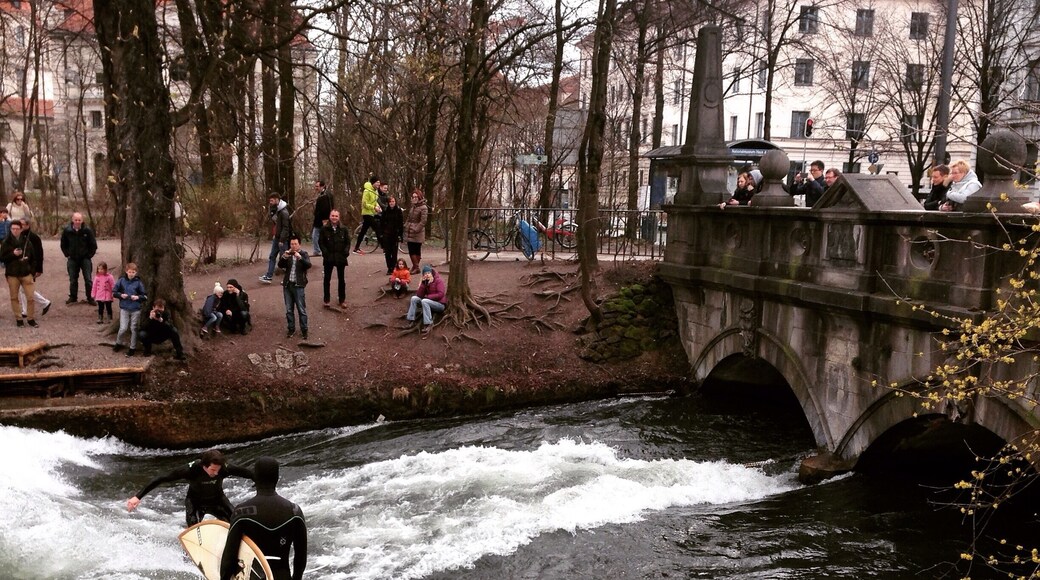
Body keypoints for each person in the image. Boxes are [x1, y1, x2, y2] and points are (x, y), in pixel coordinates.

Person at [219, 457, 306, 580]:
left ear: (256, 477)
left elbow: (229, 557)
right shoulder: (294, 511)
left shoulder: (241, 512)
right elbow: (301, 556)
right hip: (282, 576)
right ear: (277, 478)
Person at [126, 449, 254, 527]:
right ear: (204, 466)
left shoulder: (223, 468)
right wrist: (137, 497)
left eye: (218, 470)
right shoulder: (191, 470)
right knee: (194, 528)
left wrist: (262, 485)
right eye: (213, 470)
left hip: (217, 500)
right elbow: (162, 478)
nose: (216, 473)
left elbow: (248, 473)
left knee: (236, 521)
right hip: (195, 503)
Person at [0, 220, 37, 327]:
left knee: (30, 297)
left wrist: (32, 271)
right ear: (10, 229)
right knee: (14, 297)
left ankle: (31, 318)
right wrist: (13, 254)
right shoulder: (6, 242)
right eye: (13, 229)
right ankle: (18, 319)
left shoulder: (26, 241)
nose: (15, 231)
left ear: (21, 229)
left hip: (26, 273)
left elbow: (33, 258)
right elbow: (2, 258)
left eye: (17, 229)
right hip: (12, 274)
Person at [60, 212, 98, 305]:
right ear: (72, 220)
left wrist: (89, 255)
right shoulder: (67, 230)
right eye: (76, 220)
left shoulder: (87, 231)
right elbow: (63, 244)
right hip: (72, 259)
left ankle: (90, 297)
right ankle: (73, 297)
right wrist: (67, 254)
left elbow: (93, 245)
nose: (77, 222)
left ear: (82, 220)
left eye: (79, 220)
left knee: (88, 279)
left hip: (85, 258)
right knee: (73, 279)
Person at [18, 219, 52, 320]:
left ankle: (44, 302)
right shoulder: (19, 236)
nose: (20, 226)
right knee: (22, 288)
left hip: (31, 266)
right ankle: (25, 310)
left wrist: (39, 269)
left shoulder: (34, 237)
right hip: (21, 266)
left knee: (26, 287)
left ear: (27, 225)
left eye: (22, 224)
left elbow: (39, 253)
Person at [279, 235, 311, 340]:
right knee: (289, 309)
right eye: (292, 244)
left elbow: (308, 265)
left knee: (301, 309)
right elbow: (280, 265)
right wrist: (284, 257)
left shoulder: (304, 254)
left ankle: (304, 330)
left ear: (299, 244)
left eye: (295, 244)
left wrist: (300, 258)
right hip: (288, 285)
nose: (293, 246)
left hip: (299, 285)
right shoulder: (288, 254)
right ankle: (291, 329)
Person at [318, 209, 350, 308]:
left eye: (336, 216)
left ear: (339, 217)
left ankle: (342, 300)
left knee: (341, 280)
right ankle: (326, 300)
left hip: (341, 257)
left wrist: (346, 252)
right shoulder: (324, 229)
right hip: (329, 258)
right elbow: (321, 242)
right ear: (329, 216)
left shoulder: (344, 229)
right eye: (332, 216)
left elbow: (348, 242)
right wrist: (325, 253)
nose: (334, 218)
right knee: (327, 279)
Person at [113, 262, 147, 356]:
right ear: (126, 271)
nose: (131, 274)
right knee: (123, 328)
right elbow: (114, 292)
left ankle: (132, 348)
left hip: (135, 309)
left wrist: (137, 297)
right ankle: (118, 343)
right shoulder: (122, 281)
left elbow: (144, 296)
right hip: (124, 308)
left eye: (133, 272)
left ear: (136, 273)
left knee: (134, 328)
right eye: (130, 272)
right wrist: (121, 295)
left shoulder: (138, 283)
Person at [260, 193, 293, 284]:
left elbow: (286, 227)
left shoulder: (284, 212)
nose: (270, 203)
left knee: (285, 259)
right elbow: (276, 224)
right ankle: (269, 276)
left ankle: (289, 278)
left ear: (277, 200)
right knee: (272, 256)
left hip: (282, 239)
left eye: (272, 200)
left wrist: (282, 240)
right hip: (277, 237)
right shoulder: (274, 210)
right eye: (269, 201)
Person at [406, 264, 445, 335]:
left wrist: (429, 297)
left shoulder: (438, 281)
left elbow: (441, 294)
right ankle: (411, 320)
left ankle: (428, 323)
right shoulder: (425, 282)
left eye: (428, 273)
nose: (427, 275)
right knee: (414, 298)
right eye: (425, 274)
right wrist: (423, 284)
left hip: (439, 304)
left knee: (424, 300)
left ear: (431, 273)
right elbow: (419, 295)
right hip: (428, 302)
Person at [353, 175, 381, 255]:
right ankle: (384, 247)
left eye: (379, 183)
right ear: (373, 183)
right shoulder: (367, 191)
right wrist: (374, 208)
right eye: (377, 183)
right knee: (377, 228)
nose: (378, 185)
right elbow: (364, 204)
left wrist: (378, 207)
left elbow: (375, 201)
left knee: (363, 231)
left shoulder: (375, 191)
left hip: (372, 213)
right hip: (366, 213)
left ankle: (356, 248)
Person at [404, 188, 429, 274]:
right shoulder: (412, 207)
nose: (414, 198)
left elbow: (423, 221)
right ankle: (415, 266)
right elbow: (408, 218)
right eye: (413, 197)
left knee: (416, 250)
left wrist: (416, 229)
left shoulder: (423, 207)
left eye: (416, 197)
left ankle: (416, 267)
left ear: (419, 197)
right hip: (410, 231)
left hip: (418, 232)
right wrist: (406, 225)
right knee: (411, 250)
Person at [380, 195, 404, 275]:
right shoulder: (385, 211)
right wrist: (381, 233)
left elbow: (401, 224)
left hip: (395, 234)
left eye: (393, 201)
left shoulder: (398, 211)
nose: (391, 203)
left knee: (394, 252)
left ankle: (393, 267)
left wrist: (401, 235)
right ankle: (389, 267)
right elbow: (382, 223)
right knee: (387, 252)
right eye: (390, 202)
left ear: (395, 202)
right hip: (386, 234)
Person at [311, 179, 333, 256]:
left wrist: (324, 219)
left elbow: (325, 208)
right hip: (324, 219)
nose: (316, 188)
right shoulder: (327, 194)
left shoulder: (324, 196)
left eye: (317, 186)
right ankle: (323, 250)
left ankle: (317, 250)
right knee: (323, 235)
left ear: (322, 186)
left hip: (322, 219)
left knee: (315, 235)